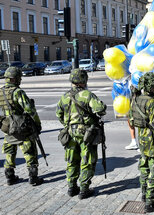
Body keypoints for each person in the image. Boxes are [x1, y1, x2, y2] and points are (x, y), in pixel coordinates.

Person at [56, 69, 107, 199]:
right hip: (86, 133)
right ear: (84, 81)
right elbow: (100, 109)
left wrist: (69, 124)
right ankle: (84, 189)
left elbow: (59, 115)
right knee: (87, 160)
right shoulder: (87, 95)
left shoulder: (64, 96)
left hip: (70, 132)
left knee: (72, 160)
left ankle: (72, 187)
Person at [128, 73, 154, 212]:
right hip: (153, 141)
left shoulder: (136, 98)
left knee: (145, 166)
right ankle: (150, 203)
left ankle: (144, 194)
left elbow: (131, 119)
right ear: (152, 86)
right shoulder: (152, 102)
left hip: (142, 139)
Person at [0, 67, 44, 186]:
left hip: (7, 126)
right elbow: (30, 110)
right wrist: (37, 124)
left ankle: (10, 177)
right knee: (29, 150)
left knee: (9, 151)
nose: (20, 80)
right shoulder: (18, 92)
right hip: (21, 125)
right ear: (14, 79)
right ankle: (33, 177)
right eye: (19, 78)